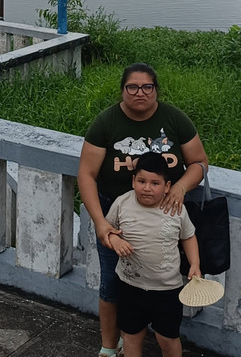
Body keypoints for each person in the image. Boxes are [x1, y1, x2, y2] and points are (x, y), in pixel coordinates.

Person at [77, 63, 209, 357]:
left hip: (167, 214)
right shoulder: (107, 122)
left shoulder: (174, 119)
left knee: (166, 279)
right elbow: (86, 174)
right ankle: (110, 347)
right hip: (118, 216)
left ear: (156, 90)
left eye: (146, 87)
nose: (140, 93)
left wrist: (180, 187)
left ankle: (155, 333)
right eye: (132, 87)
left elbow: (199, 162)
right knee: (112, 284)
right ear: (123, 90)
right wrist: (101, 222)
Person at [105, 151, 200, 357]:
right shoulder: (122, 204)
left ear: (167, 186)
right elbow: (106, 230)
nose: (147, 188)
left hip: (167, 289)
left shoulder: (175, 209)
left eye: (155, 183)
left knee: (167, 338)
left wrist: (195, 264)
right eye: (141, 181)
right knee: (131, 336)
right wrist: (115, 240)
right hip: (130, 285)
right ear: (133, 181)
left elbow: (189, 237)